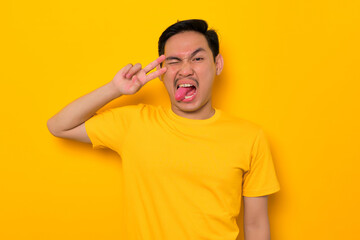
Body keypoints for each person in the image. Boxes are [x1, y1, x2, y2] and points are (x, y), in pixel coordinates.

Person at [47, 19, 280, 240]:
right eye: (174, 61)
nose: (185, 70)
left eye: (197, 59)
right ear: (161, 71)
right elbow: (58, 126)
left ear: (217, 64)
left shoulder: (250, 137)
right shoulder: (134, 123)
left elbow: (256, 224)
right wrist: (114, 89)